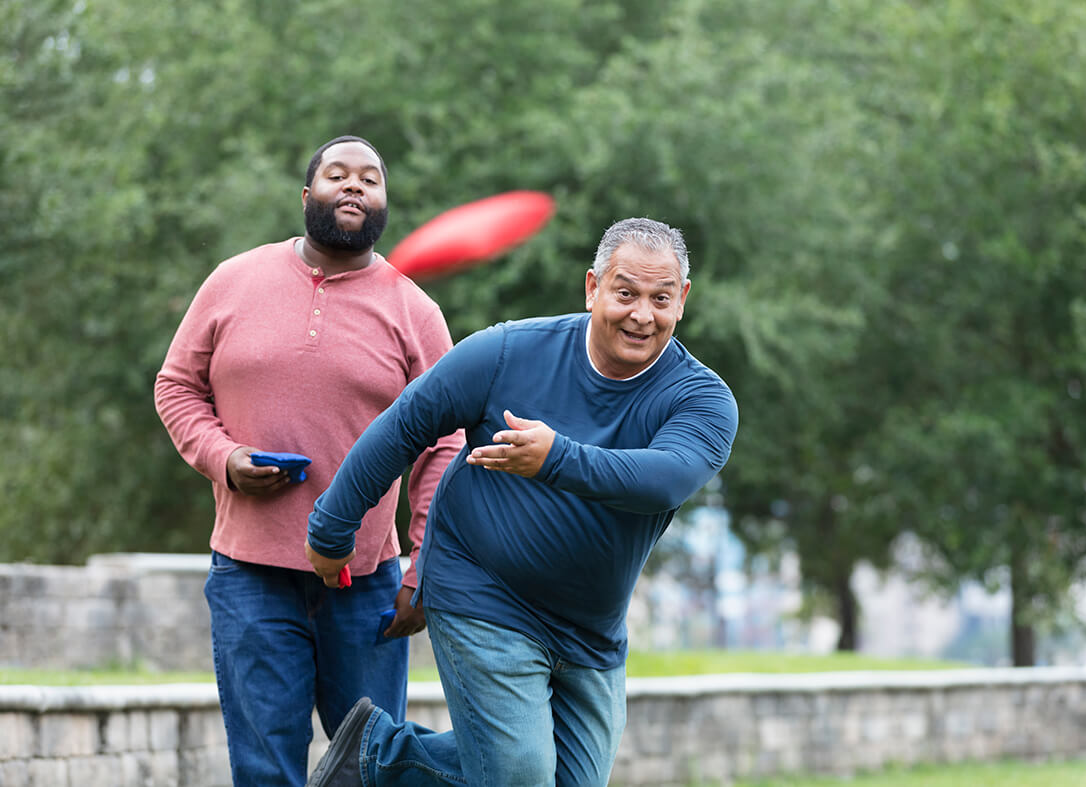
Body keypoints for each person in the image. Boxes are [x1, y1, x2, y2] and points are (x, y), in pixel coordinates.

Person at [303, 217, 738, 786]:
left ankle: (373, 758)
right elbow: (403, 428)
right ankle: (382, 759)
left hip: (590, 629)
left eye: (660, 298)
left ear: (681, 300)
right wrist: (331, 532)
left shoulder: (702, 398)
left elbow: (663, 480)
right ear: (592, 287)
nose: (641, 315)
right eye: (625, 293)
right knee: (520, 777)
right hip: (482, 589)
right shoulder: (507, 352)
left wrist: (554, 458)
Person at [154, 135, 464, 786]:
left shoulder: (415, 311)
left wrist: (423, 559)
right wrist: (226, 457)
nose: (354, 186)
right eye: (337, 174)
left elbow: (445, 443)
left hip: (366, 585)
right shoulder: (233, 281)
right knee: (265, 770)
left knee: (370, 767)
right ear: (307, 196)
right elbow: (176, 386)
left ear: (384, 204)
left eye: (370, 179)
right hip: (248, 577)